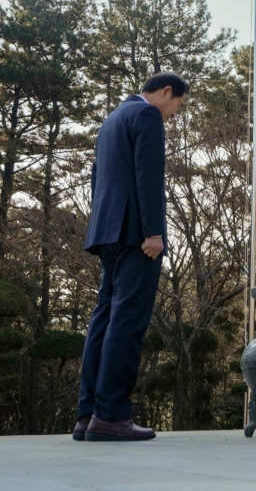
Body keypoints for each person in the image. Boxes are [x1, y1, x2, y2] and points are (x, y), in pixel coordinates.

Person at [73, 72, 188, 442]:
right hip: (137, 234)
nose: (174, 114)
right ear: (166, 92)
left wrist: (103, 226)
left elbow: (98, 179)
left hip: (107, 231)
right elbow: (148, 175)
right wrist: (153, 232)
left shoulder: (111, 120)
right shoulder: (147, 115)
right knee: (128, 319)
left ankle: (88, 414)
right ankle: (111, 415)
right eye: (177, 105)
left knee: (104, 317)